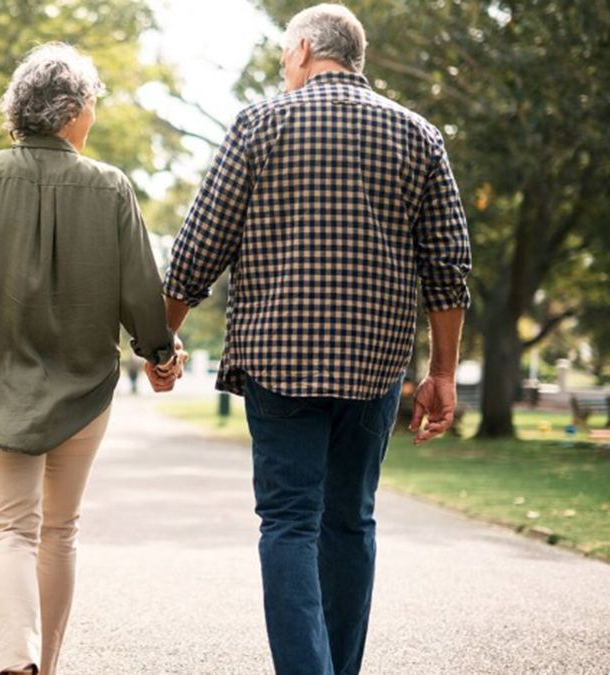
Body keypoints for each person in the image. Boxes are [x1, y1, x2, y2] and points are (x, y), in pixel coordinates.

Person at [153, 4, 472, 674]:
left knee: (290, 523)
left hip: (280, 362)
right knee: (351, 521)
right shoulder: (418, 135)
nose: (281, 67)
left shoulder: (258, 125)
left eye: (280, 56)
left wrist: (161, 343)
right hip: (374, 367)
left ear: (302, 49)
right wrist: (442, 371)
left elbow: (197, 252)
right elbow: (449, 266)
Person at [0, 43, 182, 675]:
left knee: (10, 528)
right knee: (58, 530)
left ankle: (18, 658)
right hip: (82, 388)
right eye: (91, 102)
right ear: (72, 111)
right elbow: (139, 292)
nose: (92, 114)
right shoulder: (112, 186)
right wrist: (159, 355)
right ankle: (48, 665)